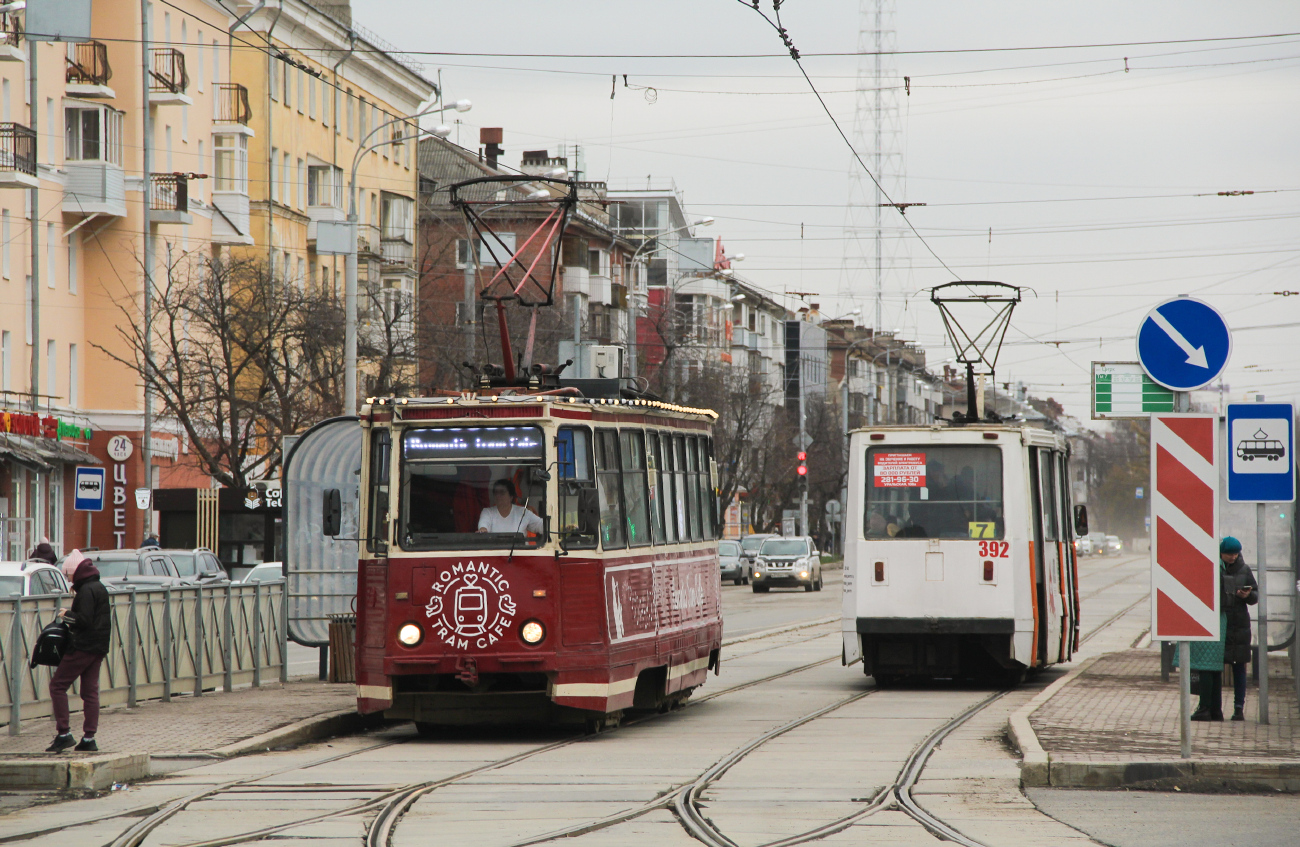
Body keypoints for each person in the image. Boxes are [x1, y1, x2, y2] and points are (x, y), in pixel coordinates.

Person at [46, 550, 110, 753]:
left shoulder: (87, 590)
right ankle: (89, 738)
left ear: (75, 572)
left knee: (57, 685)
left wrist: (66, 615)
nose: (68, 579)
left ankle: (64, 733)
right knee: (89, 692)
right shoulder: (99, 587)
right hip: (98, 647)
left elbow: (84, 620)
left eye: (68, 575)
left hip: (83, 646)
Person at [1219, 536, 1258, 721]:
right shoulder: (1215, 568)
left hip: (1240, 624)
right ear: (1222, 553)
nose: (1233, 557)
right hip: (1221, 622)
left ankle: (1238, 708)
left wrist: (1247, 595)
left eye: (1236, 553)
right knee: (1215, 666)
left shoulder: (1244, 569)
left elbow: (1255, 595)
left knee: (1239, 666)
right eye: (1229, 554)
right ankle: (1214, 707)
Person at [477, 479, 544, 535]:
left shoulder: (523, 512)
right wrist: (482, 530)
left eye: (502, 493)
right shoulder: (487, 512)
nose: (498, 496)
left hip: (519, 550)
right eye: (496, 493)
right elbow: (483, 526)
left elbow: (541, 526)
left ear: (511, 497)